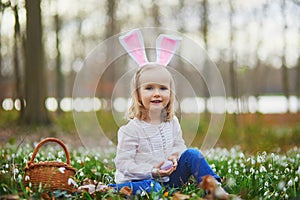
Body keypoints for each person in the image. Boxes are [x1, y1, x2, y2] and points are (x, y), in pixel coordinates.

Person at [108, 29, 227, 196]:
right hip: (140, 180)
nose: (157, 93)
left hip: (168, 180)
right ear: (138, 94)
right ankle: (112, 189)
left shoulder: (172, 122)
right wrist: (153, 171)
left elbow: (179, 146)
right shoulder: (130, 130)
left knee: (192, 154)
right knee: (154, 188)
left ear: (170, 93)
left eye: (163, 88)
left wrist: (174, 157)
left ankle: (216, 189)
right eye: (149, 88)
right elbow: (124, 165)